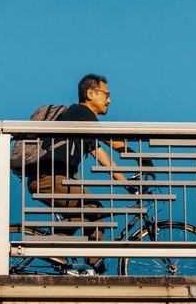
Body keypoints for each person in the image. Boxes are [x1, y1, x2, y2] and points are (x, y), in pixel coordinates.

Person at [25, 73, 130, 274]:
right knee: (91, 206)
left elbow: (105, 160)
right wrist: (138, 155)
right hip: (49, 177)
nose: (110, 100)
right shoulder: (80, 113)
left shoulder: (84, 126)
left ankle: (92, 269)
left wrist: (130, 187)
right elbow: (111, 141)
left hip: (57, 178)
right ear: (91, 93)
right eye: (106, 94)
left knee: (97, 214)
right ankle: (48, 245)